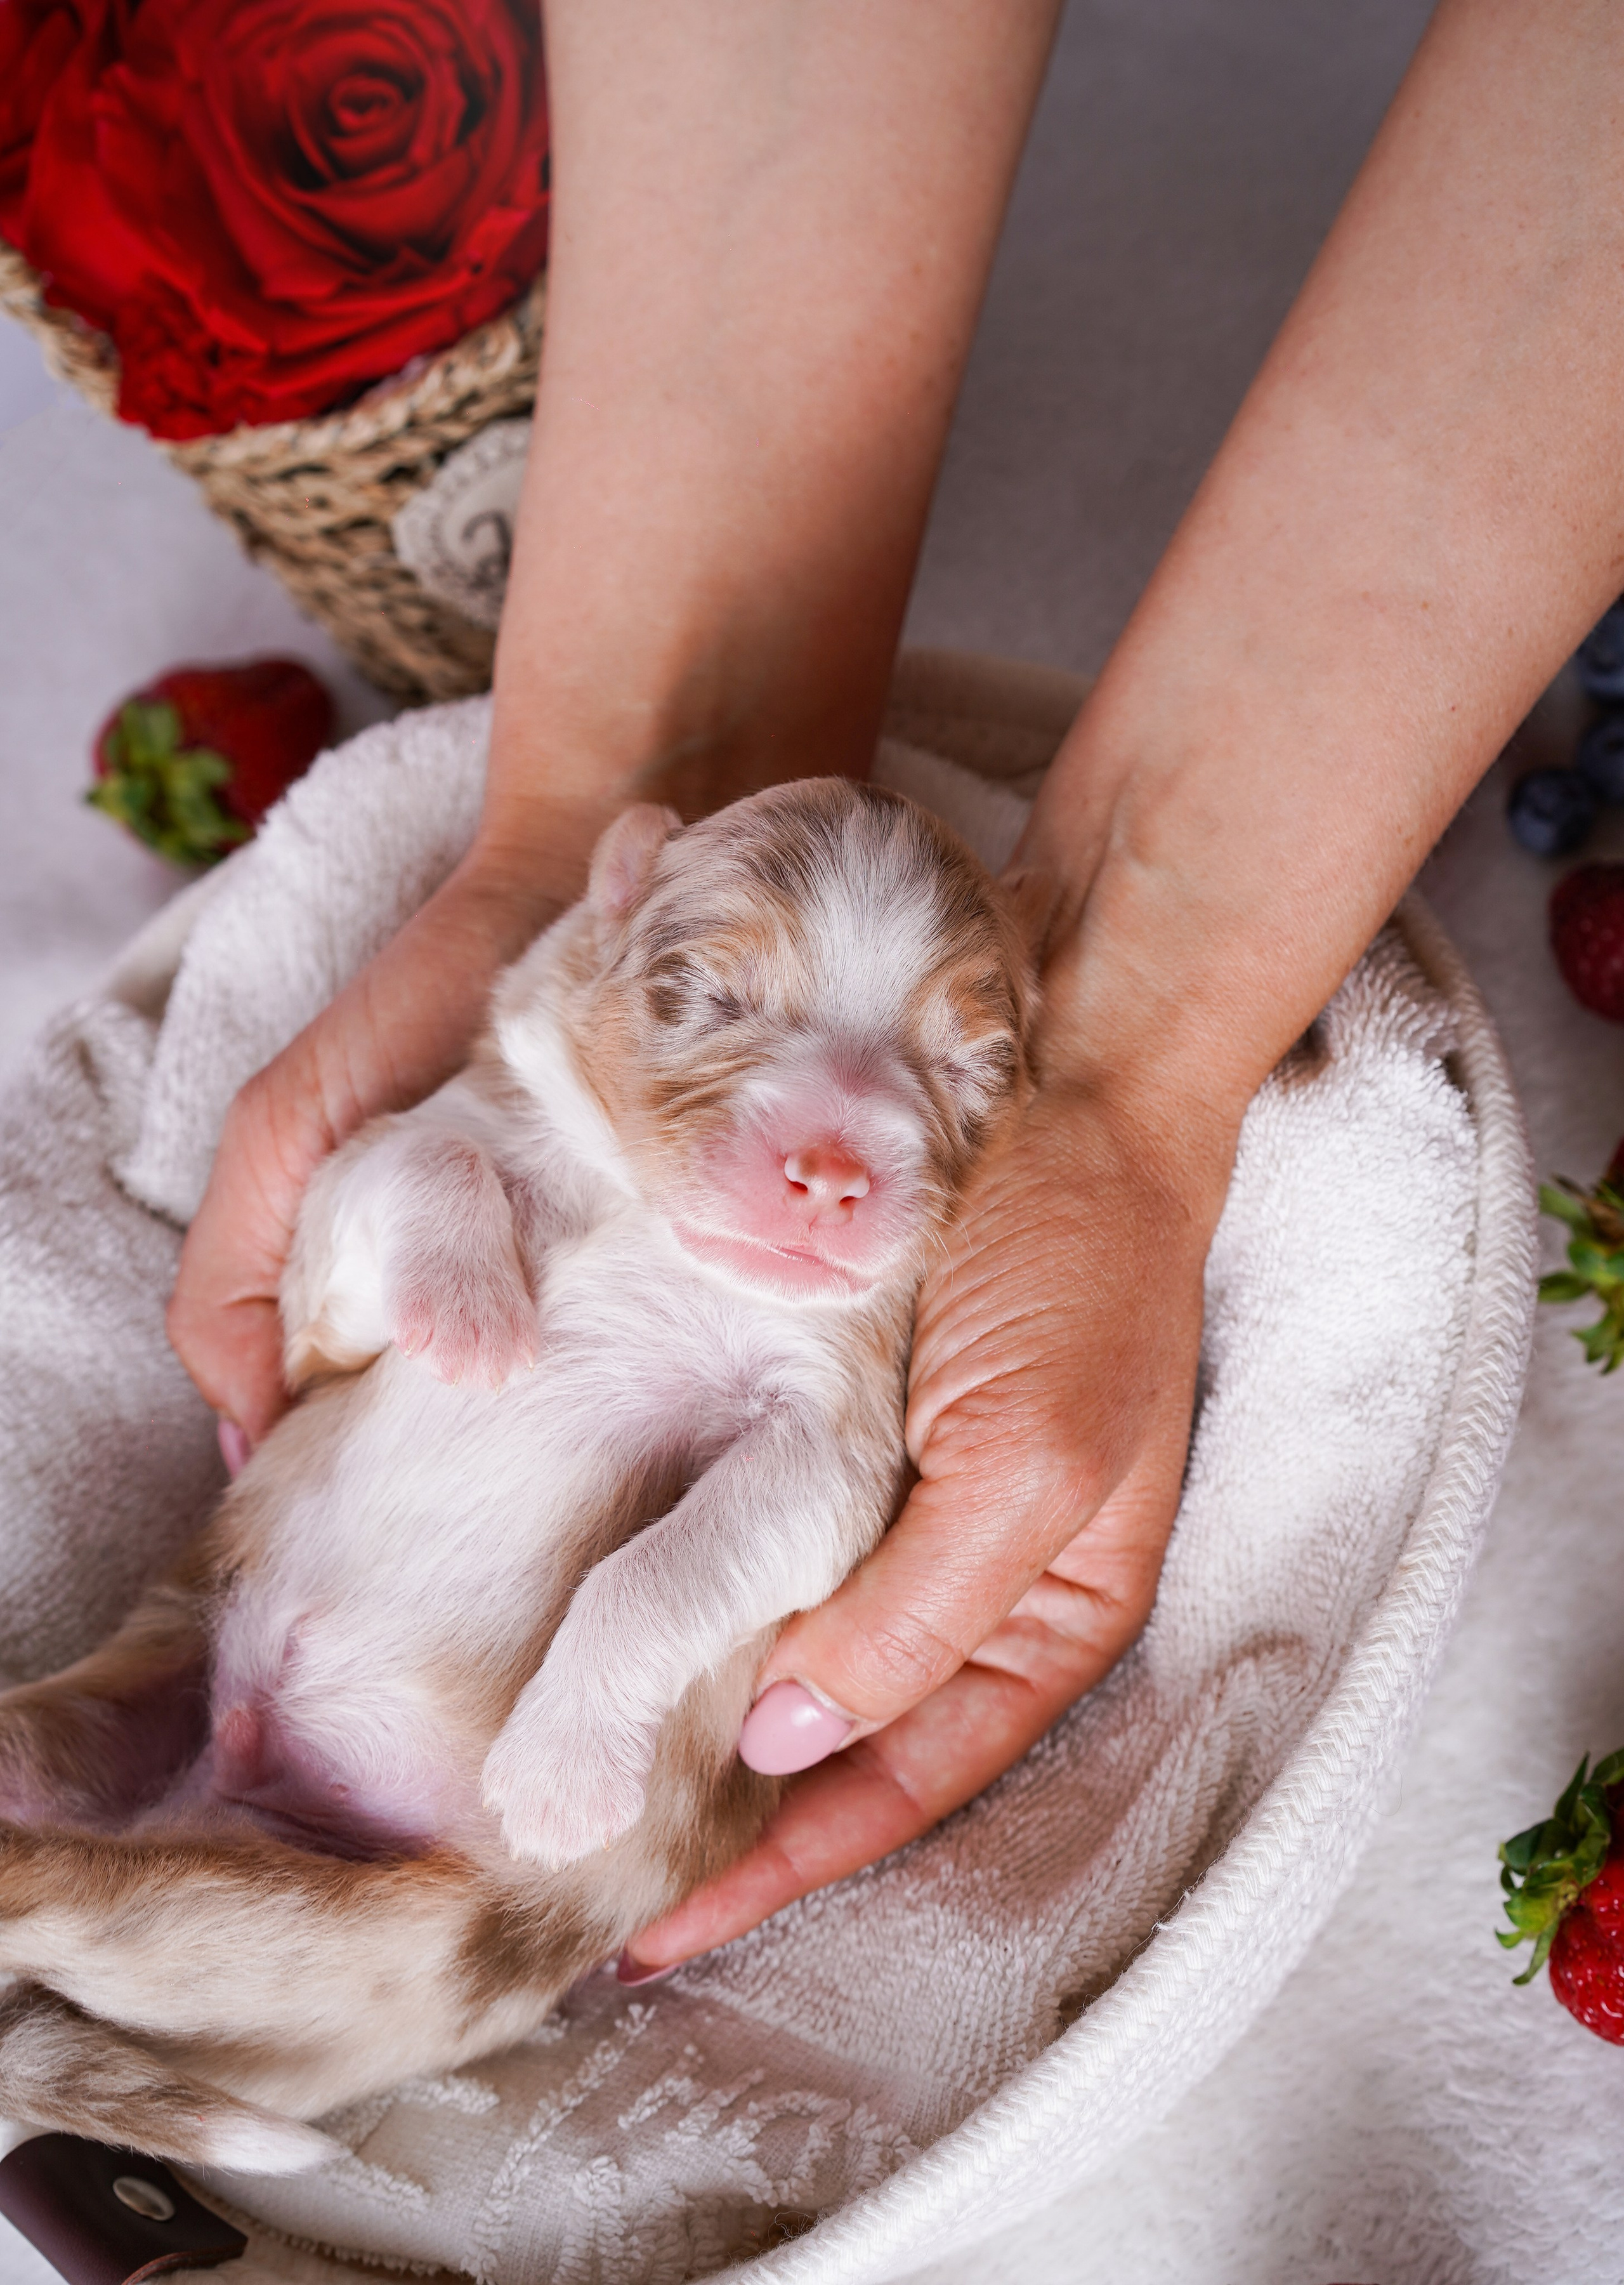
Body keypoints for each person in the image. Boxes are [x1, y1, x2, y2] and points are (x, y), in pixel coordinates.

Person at [166, 0, 1624, 1977]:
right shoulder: (574, 1062)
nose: (847, 1152)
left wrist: (1130, 1076)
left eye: (963, 1070)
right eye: (723, 1002)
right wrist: (619, 791)